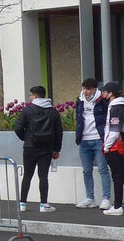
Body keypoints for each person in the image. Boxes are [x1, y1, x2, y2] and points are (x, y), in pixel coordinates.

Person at [14, 85, 63, 213]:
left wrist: (26, 138)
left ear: (35, 96)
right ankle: (43, 204)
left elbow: (18, 128)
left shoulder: (28, 110)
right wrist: (57, 149)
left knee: (27, 176)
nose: (30, 97)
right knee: (43, 176)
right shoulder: (52, 111)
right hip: (47, 148)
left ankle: (23, 204)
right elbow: (59, 132)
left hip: (30, 147)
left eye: (30, 95)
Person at [75, 77, 112, 209]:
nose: (85, 91)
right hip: (84, 140)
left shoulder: (102, 101)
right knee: (86, 171)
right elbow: (79, 119)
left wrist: (106, 138)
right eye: (84, 88)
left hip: (98, 139)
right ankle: (90, 198)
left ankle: (106, 198)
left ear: (95, 89)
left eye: (88, 89)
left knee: (103, 169)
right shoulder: (80, 100)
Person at [100, 81, 124, 217]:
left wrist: (106, 146)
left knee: (117, 176)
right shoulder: (122, 105)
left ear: (110, 93)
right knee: (123, 175)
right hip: (121, 145)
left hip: (115, 146)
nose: (102, 93)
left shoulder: (115, 108)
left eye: (104, 91)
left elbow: (114, 130)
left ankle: (118, 206)